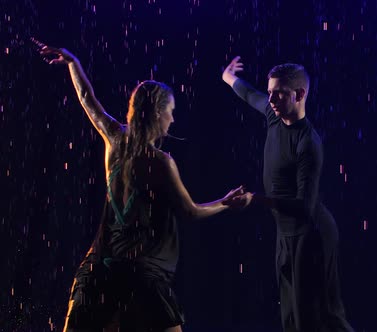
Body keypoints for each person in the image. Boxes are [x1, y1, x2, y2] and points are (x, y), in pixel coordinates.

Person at [39, 44, 248, 332]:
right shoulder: (161, 162)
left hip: (97, 268)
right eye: (171, 112)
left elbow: (88, 100)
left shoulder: (114, 139)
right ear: (157, 113)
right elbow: (190, 212)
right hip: (141, 274)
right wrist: (226, 202)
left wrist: (73, 63)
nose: (173, 119)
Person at [222, 56, 354, 332]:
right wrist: (228, 77)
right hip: (285, 234)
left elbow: (304, 207)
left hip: (311, 235)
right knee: (292, 319)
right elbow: (248, 94)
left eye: (278, 94)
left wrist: (255, 199)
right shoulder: (273, 116)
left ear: (300, 94)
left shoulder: (308, 143)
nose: (271, 99)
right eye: (270, 92)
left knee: (322, 317)